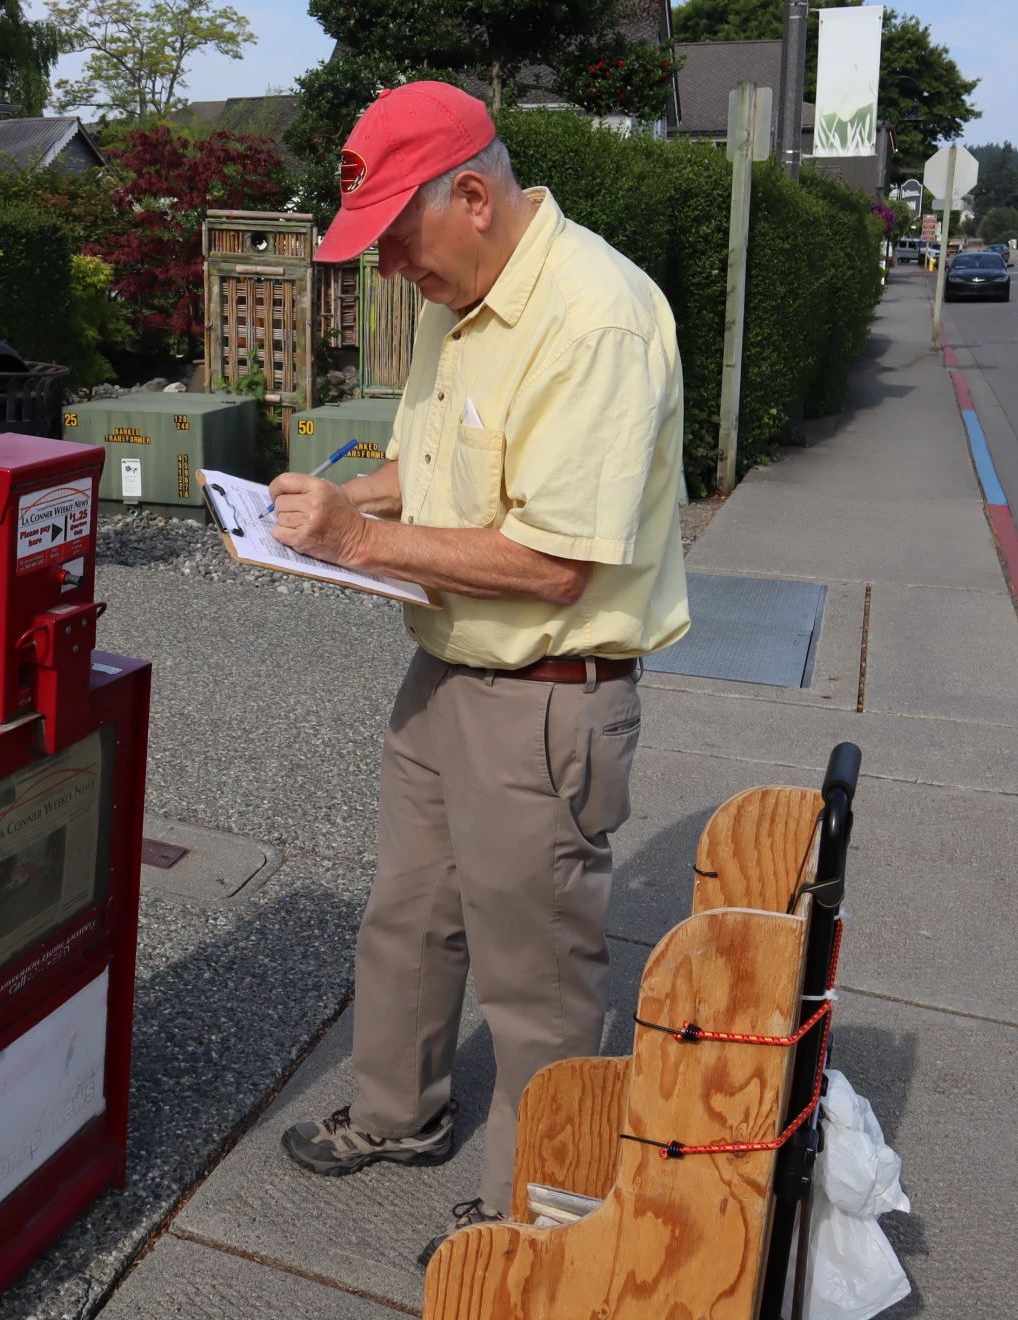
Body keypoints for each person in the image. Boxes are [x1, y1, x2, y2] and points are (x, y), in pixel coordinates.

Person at [271, 82, 690, 1261]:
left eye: (399, 242)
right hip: (449, 667)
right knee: (406, 917)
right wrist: (347, 498)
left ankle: (546, 1202)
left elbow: (554, 566)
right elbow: (436, 468)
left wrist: (355, 543)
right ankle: (400, 1115)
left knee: (534, 971)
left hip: (547, 694)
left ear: (471, 195)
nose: (397, 271)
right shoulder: (467, 292)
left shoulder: (591, 316)